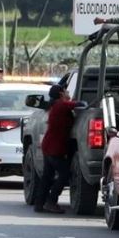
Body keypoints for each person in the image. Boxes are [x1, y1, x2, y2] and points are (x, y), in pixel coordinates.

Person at [34, 85, 81, 213]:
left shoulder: (55, 105)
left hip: (50, 146)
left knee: (47, 176)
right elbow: (75, 105)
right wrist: (81, 102)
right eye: (66, 91)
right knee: (64, 174)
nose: (68, 92)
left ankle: (39, 204)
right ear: (61, 93)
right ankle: (51, 201)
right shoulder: (61, 105)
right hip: (54, 148)